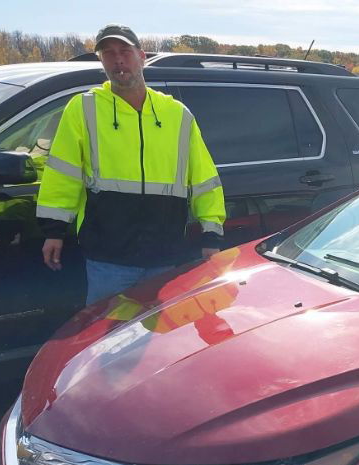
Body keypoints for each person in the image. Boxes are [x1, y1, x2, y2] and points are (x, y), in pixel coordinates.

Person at [37, 24, 225, 305]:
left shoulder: (176, 115)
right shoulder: (83, 109)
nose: (118, 60)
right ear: (102, 61)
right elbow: (63, 174)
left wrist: (212, 235)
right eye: (109, 53)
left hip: (166, 257)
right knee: (106, 342)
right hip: (109, 260)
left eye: (124, 51)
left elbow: (204, 179)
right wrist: (53, 230)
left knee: (160, 341)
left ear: (142, 56)